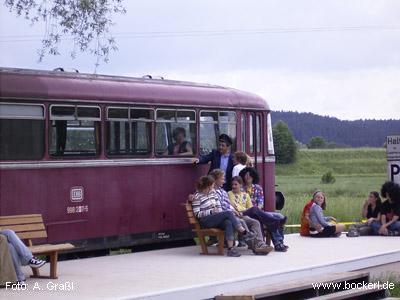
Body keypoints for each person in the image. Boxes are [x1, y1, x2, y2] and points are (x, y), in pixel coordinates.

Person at [209, 169, 273, 255]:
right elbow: (219, 208)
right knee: (242, 221)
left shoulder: (222, 191)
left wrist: (235, 210)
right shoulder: (211, 191)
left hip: (234, 214)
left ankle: (260, 244)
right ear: (215, 180)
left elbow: (229, 205)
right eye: (222, 179)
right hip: (225, 217)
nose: (224, 181)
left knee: (255, 222)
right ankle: (256, 247)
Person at [191, 175, 255, 257]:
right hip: (205, 221)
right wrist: (210, 211)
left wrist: (219, 213)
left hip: (216, 218)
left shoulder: (213, 193)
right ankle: (244, 232)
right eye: (212, 185)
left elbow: (219, 207)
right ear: (207, 186)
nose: (213, 187)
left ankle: (230, 249)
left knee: (228, 222)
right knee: (228, 213)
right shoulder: (197, 196)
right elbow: (197, 214)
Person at [228, 176, 288, 252]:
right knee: (256, 210)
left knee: (275, 215)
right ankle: (276, 223)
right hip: (240, 213)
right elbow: (232, 205)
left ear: (240, 185)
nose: (233, 186)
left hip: (251, 212)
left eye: (235, 184)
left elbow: (251, 207)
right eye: (232, 184)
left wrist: (251, 210)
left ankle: (278, 243)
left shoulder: (246, 195)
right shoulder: (229, 194)